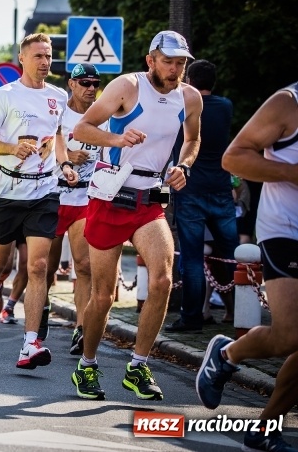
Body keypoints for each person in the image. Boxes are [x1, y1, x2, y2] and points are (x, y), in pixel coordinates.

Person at [70, 30, 202, 400]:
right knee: (103, 296)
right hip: (111, 193)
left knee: (161, 280)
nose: (175, 69)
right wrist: (118, 139)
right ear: (151, 60)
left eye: (181, 63)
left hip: (151, 195)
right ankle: (87, 366)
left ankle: (138, 365)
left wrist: (184, 165)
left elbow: (192, 139)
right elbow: (83, 128)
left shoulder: (189, 97)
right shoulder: (127, 87)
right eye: (169, 61)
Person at [196, 81, 298, 451]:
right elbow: (233, 158)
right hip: (286, 230)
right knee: (289, 335)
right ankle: (227, 354)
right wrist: (292, 172)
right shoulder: (287, 103)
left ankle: (266, 429)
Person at [0, 34, 78, 371]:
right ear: (22, 58)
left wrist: (66, 163)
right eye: (39, 56)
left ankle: (30, 343)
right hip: (7, 191)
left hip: (45, 190)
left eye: (48, 56)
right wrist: (12, 148)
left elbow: (57, 136)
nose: (45, 62)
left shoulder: (59, 96)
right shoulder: (4, 96)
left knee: (39, 265)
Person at [166, 59, 239, 332]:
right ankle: (243, 313)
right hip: (221, 190)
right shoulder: (226, 107)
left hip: (190, 189)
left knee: (193, 257)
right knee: (233, 255)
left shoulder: (182, 107)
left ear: (190, 82)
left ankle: (192, 317)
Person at [42, 62, 102, 355]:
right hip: (53, 196)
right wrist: (64, 159)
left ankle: (81, 327)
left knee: (84, 265)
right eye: (85, 83)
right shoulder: (58, 113)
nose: (91, 88)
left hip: (84, 199)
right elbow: (41, 150)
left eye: (95, 83)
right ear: (72, 84)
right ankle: (41, 306)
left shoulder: (104, 115)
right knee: (47, 268)